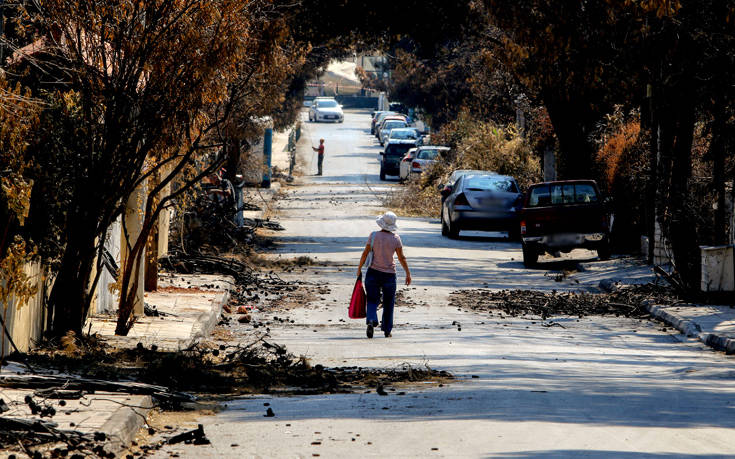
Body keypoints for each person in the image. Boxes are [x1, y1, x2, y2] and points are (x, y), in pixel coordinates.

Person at [356, 212, 411, 338]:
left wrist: (359, 268)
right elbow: (401, 257)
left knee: (371, 299)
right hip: (389, 275)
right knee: (389, 302)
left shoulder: (373, 236)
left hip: (373, 272)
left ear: (381, 223)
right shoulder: (396, 238)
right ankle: (387, 330)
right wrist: (408, 273)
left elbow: (365, 253)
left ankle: (371, 319)